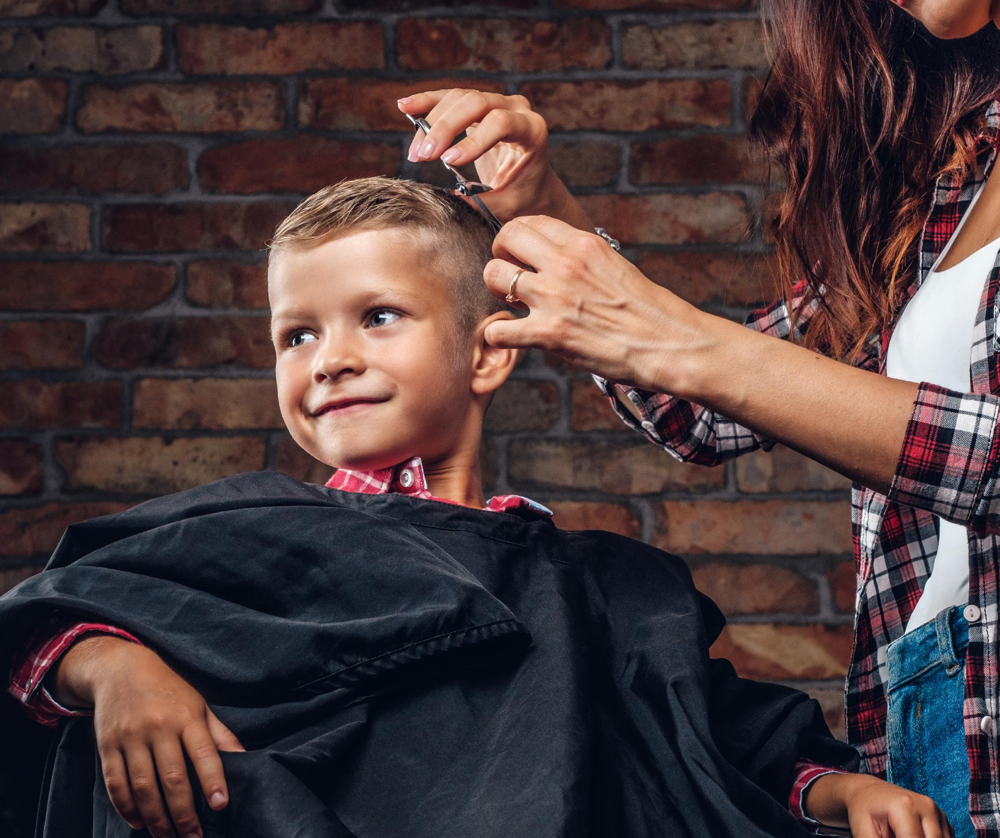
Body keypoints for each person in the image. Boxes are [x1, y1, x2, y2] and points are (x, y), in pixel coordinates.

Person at [1, 178, 948, 838]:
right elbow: (44, 622)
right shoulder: (233, 540)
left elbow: (720, 736)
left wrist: (844, 789)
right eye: (296, 334)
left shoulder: (597, 585)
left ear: (488, 354)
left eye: (377, 316)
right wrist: (111, 666)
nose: (326, 357)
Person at [395, 1, 1000, 836]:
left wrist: (688, 343)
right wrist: (535, 206)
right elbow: (697, 408)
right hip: (939, 699)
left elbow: (706, 361)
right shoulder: (948, 185)